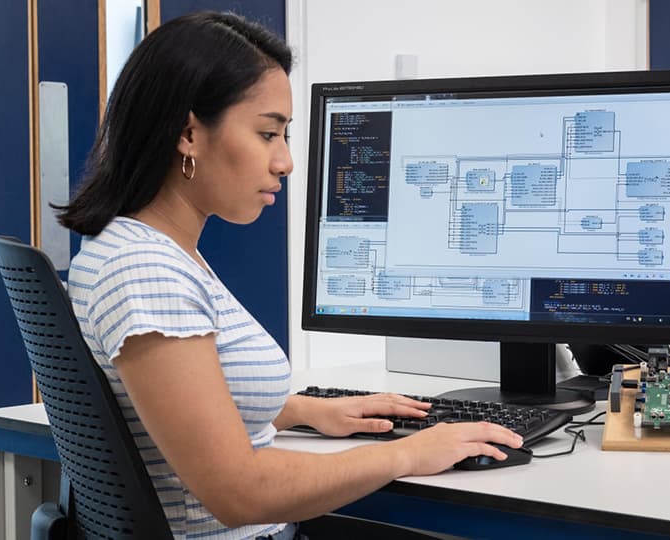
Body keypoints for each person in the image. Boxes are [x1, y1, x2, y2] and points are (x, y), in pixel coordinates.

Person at [58, 11, 523, 540]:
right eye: (267, 134)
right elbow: (241, 492)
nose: (285, 162)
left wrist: (307, 411)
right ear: (188, 132)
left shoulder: (134, 249)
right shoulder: (147, 273)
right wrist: (410, 453)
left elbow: (184, 406)